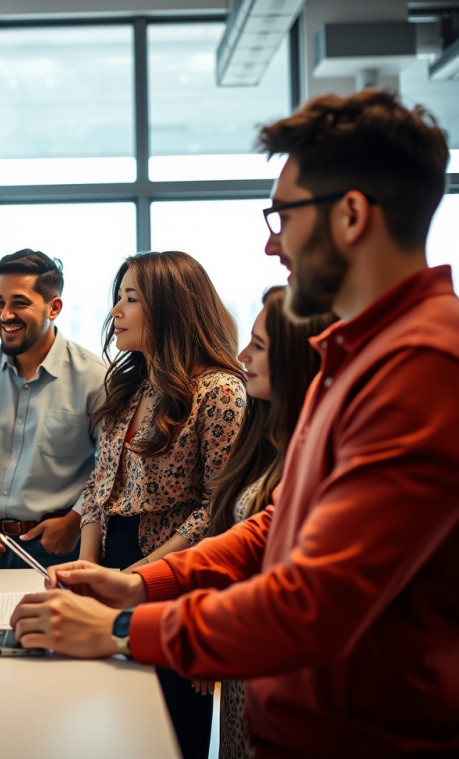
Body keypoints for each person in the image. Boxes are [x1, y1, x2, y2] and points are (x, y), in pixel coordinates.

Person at [10, 90, 459, 758]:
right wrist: (139, 584)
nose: (271, 243)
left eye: (283, 216)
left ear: (351, 215)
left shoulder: (422, 366)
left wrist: (122, 629)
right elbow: (278, 526)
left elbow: (313, 602)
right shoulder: (355, 354)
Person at [79, 250, 246, 759]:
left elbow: (218, 507)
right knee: (116, 730)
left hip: (175, 580)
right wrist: (86, 569)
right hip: (113, 567)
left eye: (130, 299)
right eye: (117, 298)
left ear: (171, 307)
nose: (115, 311)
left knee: (172, 736)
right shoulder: (129, 385)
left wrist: (144, 573)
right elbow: (99, 486)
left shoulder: (219, 392)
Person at [206, 286, 335, 759]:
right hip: (245, 649)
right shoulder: (264, 428)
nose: (242, 355)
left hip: (278, 655)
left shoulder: (320, 452)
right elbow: (235, 537)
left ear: (298, 359)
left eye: (258, 346)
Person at [0, 249, 106, 569]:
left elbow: (112, 469)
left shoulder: (96, 377)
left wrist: (75, 521)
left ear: (54, 308)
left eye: (19, 303)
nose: (5, 315)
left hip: (61, 547)